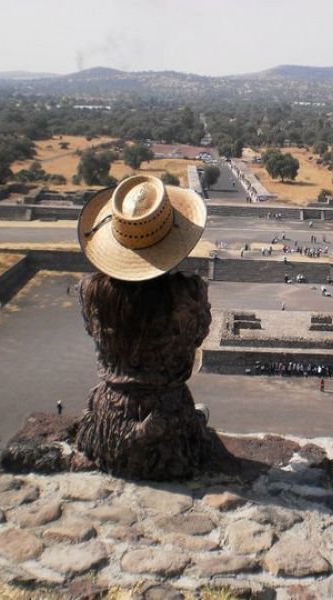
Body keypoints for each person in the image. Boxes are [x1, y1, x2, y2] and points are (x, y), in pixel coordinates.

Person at [75, 174, 217, 480]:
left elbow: (94, 332)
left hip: (108, 425)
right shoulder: (187, 293)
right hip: (168, 422)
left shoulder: (90, 290)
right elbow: (199, 334)